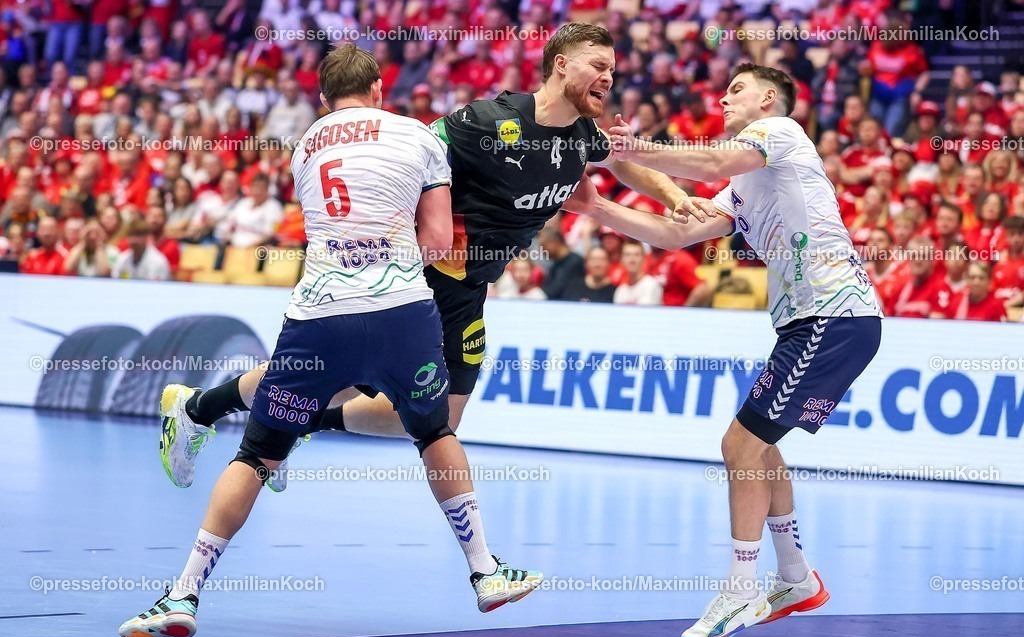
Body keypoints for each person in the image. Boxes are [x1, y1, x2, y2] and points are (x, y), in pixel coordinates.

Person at [157, 25, 713, 490]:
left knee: (431, 414)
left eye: (613, 67)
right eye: (598, 65)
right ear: (561, 66)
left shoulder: (580, 137)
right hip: (425, 275)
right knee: (353, 385)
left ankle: (260, 416)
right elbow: (414, 147)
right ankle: (201, 410)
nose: (609, 77)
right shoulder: (488, 123)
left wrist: (673, 196)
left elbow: (622, 160)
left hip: (472, 287)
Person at [119, 45, 541, 637]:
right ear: (377, 88)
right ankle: (485, 572)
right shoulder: (419, 136)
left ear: (323, 99)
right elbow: (441, 238)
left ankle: (182, 593)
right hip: (403, 313)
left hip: (320, 314)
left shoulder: (307, 144)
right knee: (435, 432)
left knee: (258, 453)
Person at [599, 63, 884, 637]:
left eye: (736, 90)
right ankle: (796, 577)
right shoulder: (743, 184)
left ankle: (740, 589)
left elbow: (712, 161)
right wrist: (595, 205)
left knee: (740, 445)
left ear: (770, 99)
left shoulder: (781, 132)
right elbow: (679, 234)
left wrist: (637, 147)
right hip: (808, 324)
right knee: (761, 445)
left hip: (835, 315)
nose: (723, 97)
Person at [613, 240, 662, 305]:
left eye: (636, 255)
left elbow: (645, 313)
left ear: (644, 258)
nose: (632, 260)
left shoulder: (651, 284)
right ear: (622, 260)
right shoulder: (620, 290)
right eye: (627, 255)